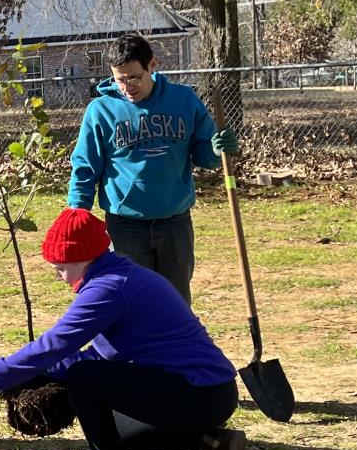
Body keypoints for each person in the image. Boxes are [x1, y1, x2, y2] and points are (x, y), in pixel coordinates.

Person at [0, 207, 244, 450]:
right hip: (210, 392)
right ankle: (213, 443)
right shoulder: (124, 276)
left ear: (83, 258)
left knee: (83, 379)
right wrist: (37, 373)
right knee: (119, 436)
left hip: (199, 393)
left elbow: (56, 345)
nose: (58, 274)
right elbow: (100, 355)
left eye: (61, 266)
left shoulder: (108, 289)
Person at [66, 32, 238, 304]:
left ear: (152, 66)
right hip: (125, 225)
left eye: (134, 77)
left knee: (175, 301)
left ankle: (176, 347)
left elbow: (205, 155)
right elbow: (85, 165)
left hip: (175, 222)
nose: (127, 86)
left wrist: (218, 150)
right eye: (119, 79)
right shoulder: (101, 111)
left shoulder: (183, 100)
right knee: (132, 301)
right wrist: (77, 210)